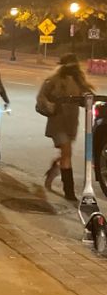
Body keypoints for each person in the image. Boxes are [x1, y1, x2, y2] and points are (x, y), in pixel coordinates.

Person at [37, 53, 94, 201]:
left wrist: (88, 99)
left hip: (71, 122)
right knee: (67, 152)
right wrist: (51, 106)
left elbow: (87, 97)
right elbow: (41, 98)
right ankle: (69, 191)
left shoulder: (79, 81)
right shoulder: (54, 80)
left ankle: (53, 170)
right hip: (57, 122)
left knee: (65, 155)